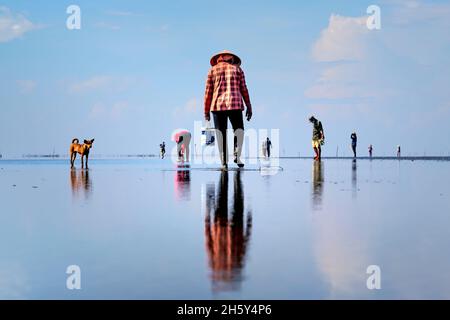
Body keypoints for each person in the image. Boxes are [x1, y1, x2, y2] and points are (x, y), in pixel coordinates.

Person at [204, 50, 252, 170]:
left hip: (217, 106)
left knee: (221, 134)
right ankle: (237, 155)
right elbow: (244, 89)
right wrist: (249, 106)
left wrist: (206, 112)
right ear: (231, 59)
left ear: (219, 59)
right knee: (239, 130)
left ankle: (223, 163)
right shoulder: (238, 70)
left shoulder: (212, 70)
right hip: (235, 104)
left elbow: (208, 93)